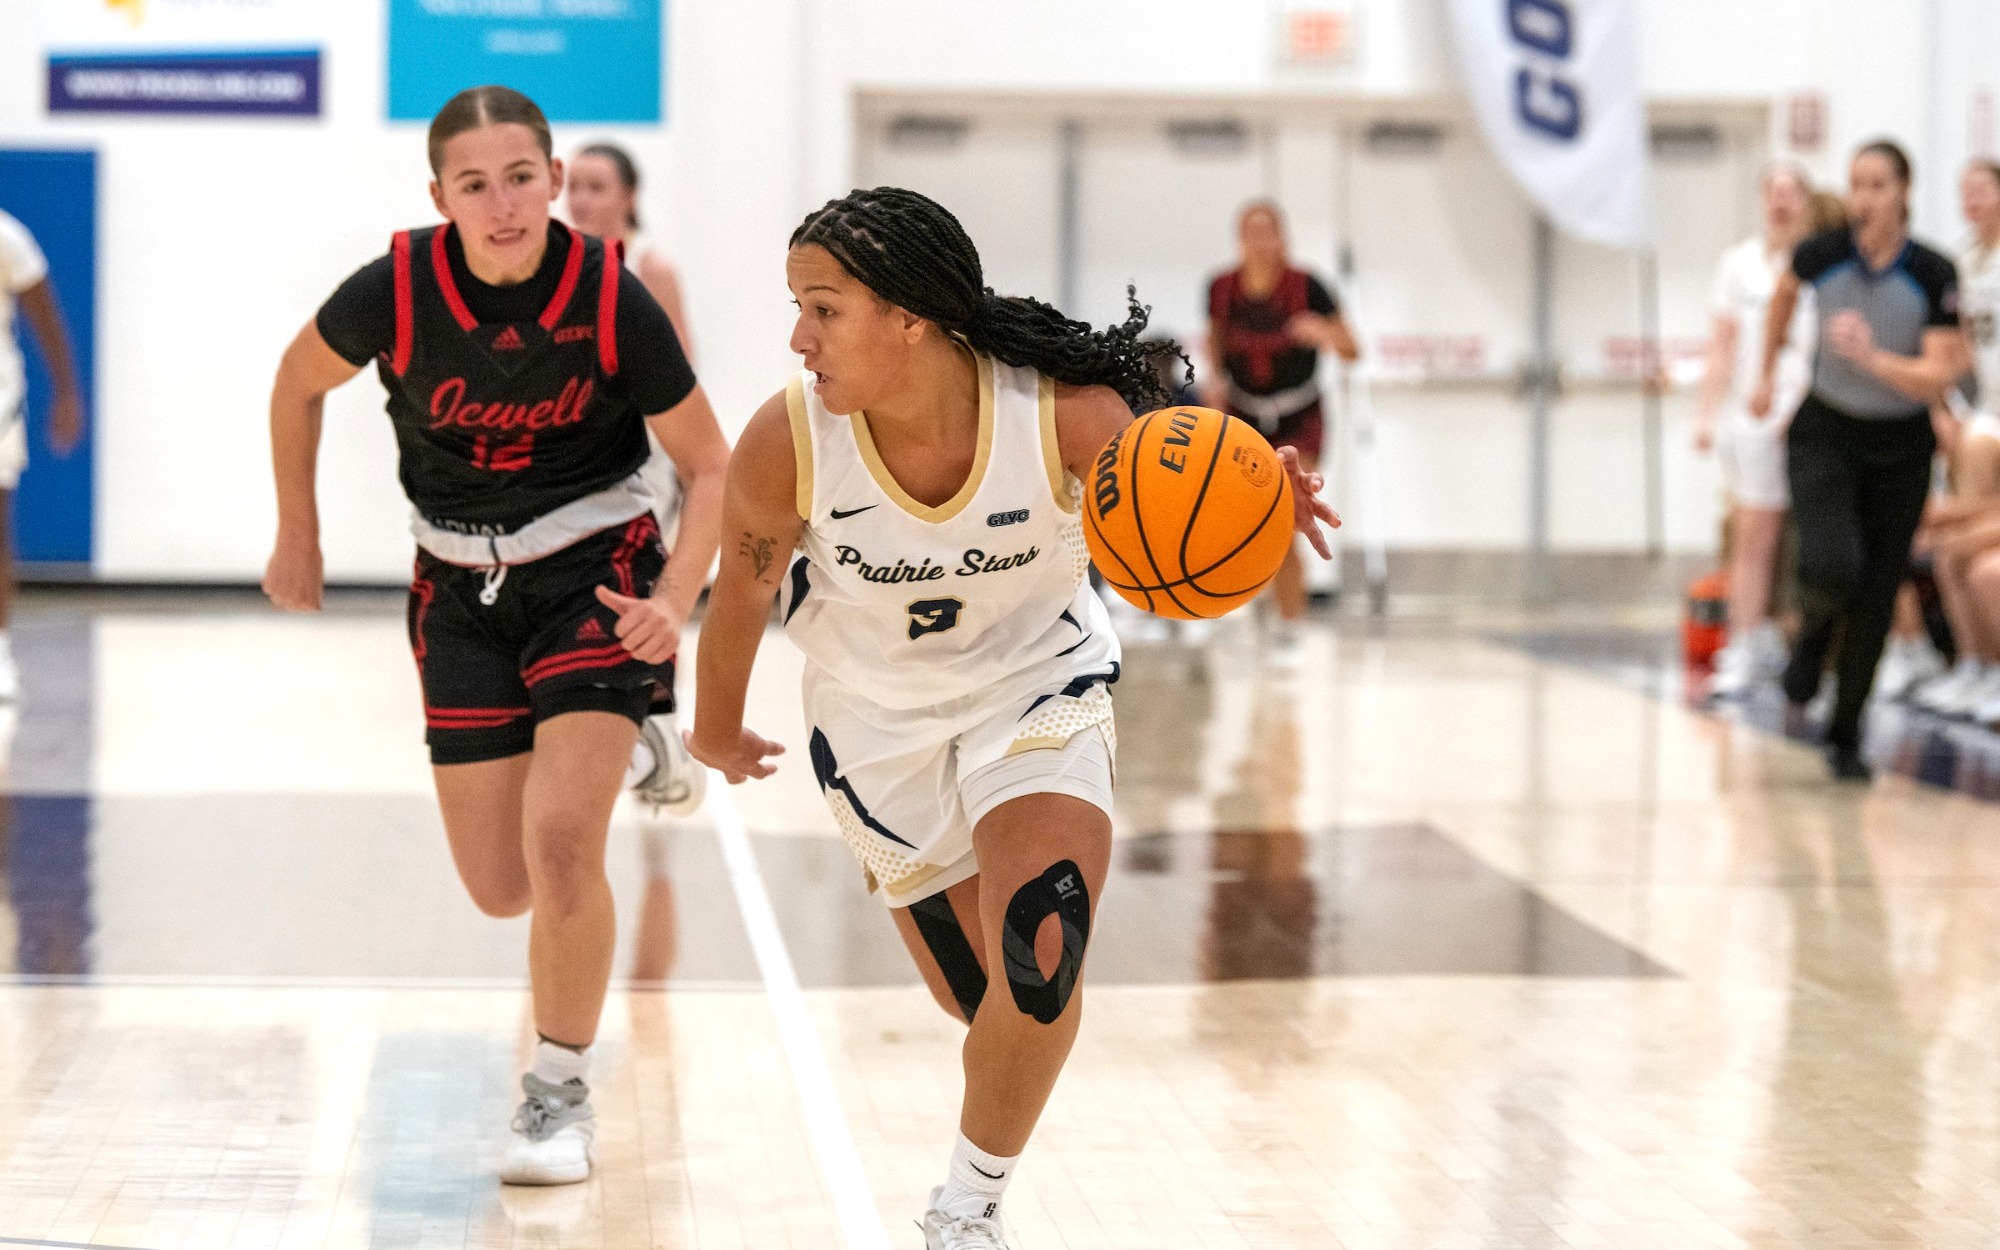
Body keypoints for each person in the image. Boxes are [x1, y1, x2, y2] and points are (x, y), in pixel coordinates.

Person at [687, 186, 1336, 1249]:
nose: (798, 338)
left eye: (822, 309)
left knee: (1042, 954)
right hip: (878, 728)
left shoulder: (1060, 412)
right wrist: (713, 729)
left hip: (1035, 689)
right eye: (799, 310)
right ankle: (979, 1166)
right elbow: (741, 596)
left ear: (908, 316)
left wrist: (1253, 498)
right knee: (984, 1001)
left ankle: (964, 1212)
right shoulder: (788, 440)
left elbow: (1173, 482)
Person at [261, 85, 730, 1184]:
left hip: (593, 573)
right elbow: (296, 382)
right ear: (440, 197)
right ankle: (631, 747)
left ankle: (556, 1097)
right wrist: (298, 531)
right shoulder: (394, 288)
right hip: (455, 584)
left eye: (521, 177)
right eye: (475, 184)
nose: (503, 202)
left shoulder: (609, 294)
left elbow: (711, 464)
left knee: (563, 843)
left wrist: (676, 599)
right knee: (501, 885)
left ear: (555, 180)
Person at [1751, 140, 1968, 779]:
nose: (1864, 198)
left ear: (1903, 192)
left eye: (1878, 185)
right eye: (1855, 184)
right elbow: (1783, 297)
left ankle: (1845, 731)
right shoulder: (1822, 255)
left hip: (1900, 446)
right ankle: (1811, 642)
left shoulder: (1932, 271)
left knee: (1877, 587)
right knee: (1832, 561)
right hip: (1825, 431)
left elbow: (1937, 375)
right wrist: (1766, 371)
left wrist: (1874, 359)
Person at [563, 141, 706, 813]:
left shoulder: (652, 268)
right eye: (574, 186)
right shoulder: (557, 267)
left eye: (596, 186)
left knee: (646, 584)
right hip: (578, 454)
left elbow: (682, 373)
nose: (581, 198)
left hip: (645, 455)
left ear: (628, 197)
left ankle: (661, 728)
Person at [1204, 201, 1357, 651]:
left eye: (1266, 231)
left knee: (1284, 511)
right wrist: (1214, 381)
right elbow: (1215, 339)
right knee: (1243, 518)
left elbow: (1352, 348)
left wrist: (1324, 332)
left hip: (1298, 415)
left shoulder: (1309, 286)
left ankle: (1291, 624)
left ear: (1281, 237)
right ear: (1239, 239)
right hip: (1245, 413)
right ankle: (1252, 607)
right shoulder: (1221, 287)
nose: (1258, 241)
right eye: (1249, 232)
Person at [1694, 165, 1815, 699]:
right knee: (1752, 531)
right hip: (1755, 419)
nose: (1781, 204)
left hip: (1809, 417)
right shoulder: (1738, 264)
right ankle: (1745, 639)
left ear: (1807, 201)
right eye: (1773, 194)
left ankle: (1810, 649)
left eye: (1791, 194)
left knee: (1813, 540)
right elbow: (1721, 346)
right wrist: (1706, 415)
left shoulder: (1817, 262)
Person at [1903, 160, 2000, 720]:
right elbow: (1953, 348)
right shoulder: (1961, 261)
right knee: (1947, 540)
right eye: (1965, 192)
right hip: (1984, 403)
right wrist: (1944, 406)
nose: (1973, 201)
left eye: (1983, 189)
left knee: (1963, 540)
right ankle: (1973, 667)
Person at [0, 210, 86, 700]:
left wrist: (67, 391)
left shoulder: (7, 236)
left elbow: (44, 316)